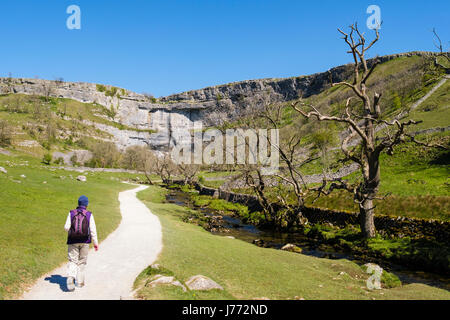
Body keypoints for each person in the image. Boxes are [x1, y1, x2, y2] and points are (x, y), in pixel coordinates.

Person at [64, 195, 98, 291]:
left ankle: (71, 277)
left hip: (72, 241)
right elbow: (93, 230)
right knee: (82, 261)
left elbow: (66, 227)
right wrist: (95, 243)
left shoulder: (71, 213)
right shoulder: (89, 214)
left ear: (78, 203)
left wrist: (73, 231)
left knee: (73, 260)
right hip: (85, 241)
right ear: (86, 204)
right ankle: (80, 282)